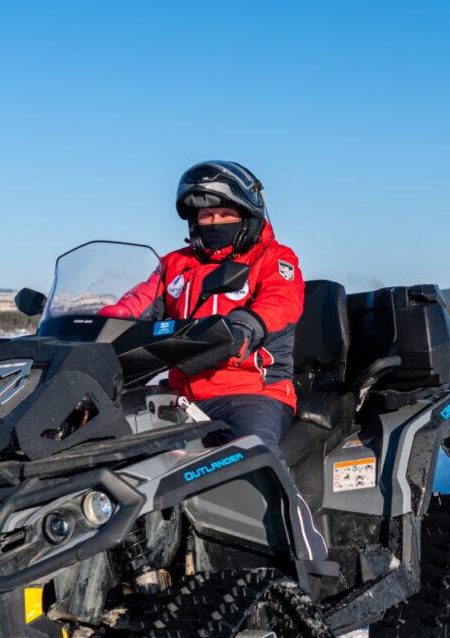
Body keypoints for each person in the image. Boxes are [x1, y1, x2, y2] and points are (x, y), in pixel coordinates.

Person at [98, 160, 305, 453]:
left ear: (247, 217)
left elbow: (281, 301)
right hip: (179, 393)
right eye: (207, 215)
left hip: (251, 393)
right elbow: (137, 303)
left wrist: (244, 327)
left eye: (225, 214)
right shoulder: (175, 264)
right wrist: (101, 325)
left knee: (253, 456)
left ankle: (285, 499)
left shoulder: (274, 258)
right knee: (116, 443)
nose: (215, 222)